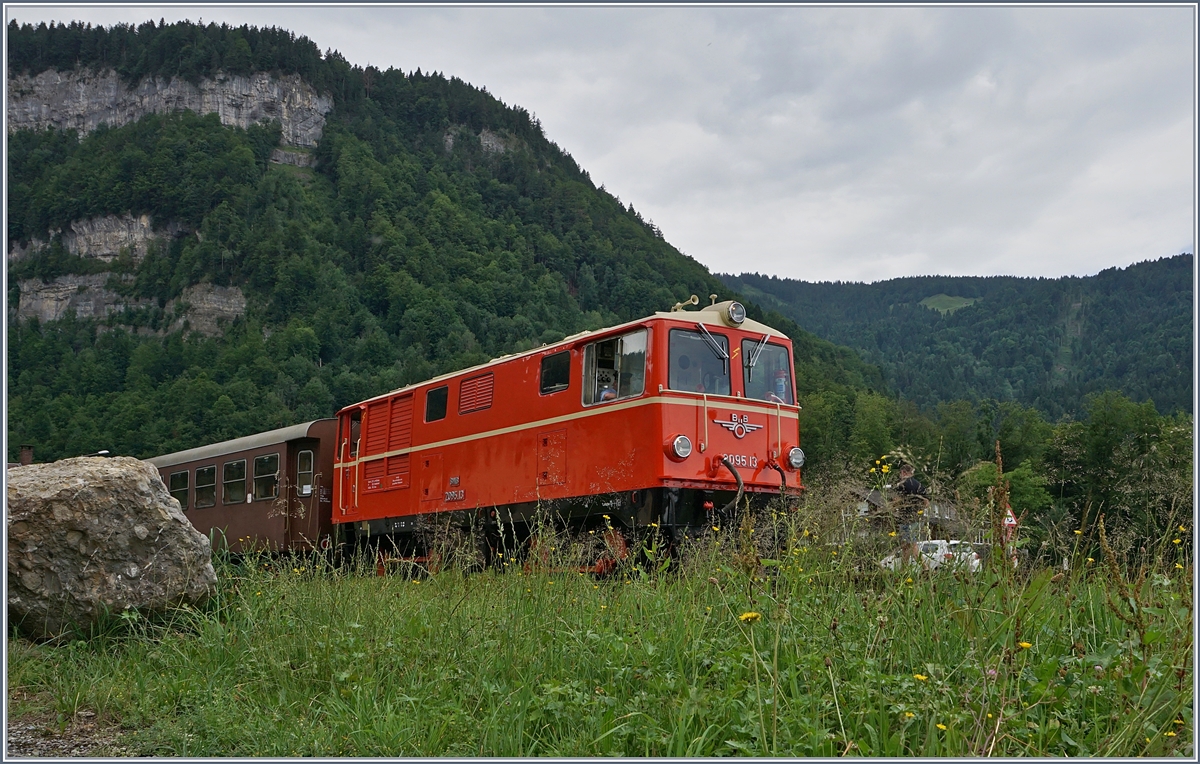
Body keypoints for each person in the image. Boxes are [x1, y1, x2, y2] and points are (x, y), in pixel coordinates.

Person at [893, 462, 930, 567]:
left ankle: (925, 567)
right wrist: (918, 510)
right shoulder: (919, 485)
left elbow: (897, 501)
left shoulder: (902, 484)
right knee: (906, 545)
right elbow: (926, 503)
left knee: (911, 544)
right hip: (917, 517)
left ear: (903, 472)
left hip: (904, 517)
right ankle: (903, 569)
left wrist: (889, 508)